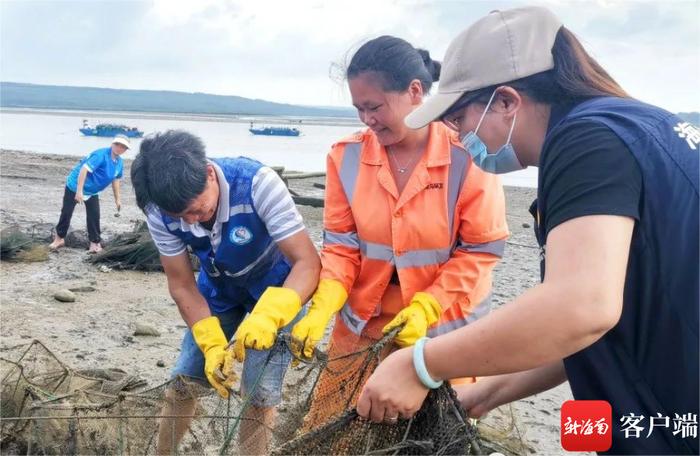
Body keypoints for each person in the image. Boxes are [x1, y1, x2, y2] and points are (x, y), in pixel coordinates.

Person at [356, 7, 699, 455]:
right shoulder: (638, 126)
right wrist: (483, 392)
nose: (457, 136)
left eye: (458, 120)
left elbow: (582, 307)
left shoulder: (589, 141)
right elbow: (586, 327)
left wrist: (420, 364)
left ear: (506, 100)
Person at [288, 36, 508, 426]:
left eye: (374, 106)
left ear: (415, 92)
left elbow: (481, 250)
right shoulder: (346, 157)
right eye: (359, 109)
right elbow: (341, 248)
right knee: (333, 429)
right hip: (362, 328)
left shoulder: (468, 155)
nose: (367, 120)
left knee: (434, 437)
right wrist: (321, 305)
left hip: (444, 331)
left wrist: (427, 307)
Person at [130, 130, 320, 455]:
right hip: (218, 287)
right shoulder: (158, 210)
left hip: (279, 287)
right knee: (183, 380)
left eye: (198, 211)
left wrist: (272, 314)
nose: (190, 222)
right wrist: (210, 339)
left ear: (209, 174)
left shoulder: (259, 184)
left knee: (258, 394)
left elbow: (308, 263)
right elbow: (181, 283)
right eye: (181, 217)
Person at [49, 135, 129, 253]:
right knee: (66, 212)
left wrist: (118, 199)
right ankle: (59, 239)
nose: (119, 148)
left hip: (92, 191)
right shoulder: (100, 155)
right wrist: (79, 191)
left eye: (123, 147)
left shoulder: (119, 162)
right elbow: (84, 169)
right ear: (112, 144)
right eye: (117, 144)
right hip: (75, 186)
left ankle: (94, 243)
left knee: (94, 216)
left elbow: (116, 180)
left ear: (126, 150)